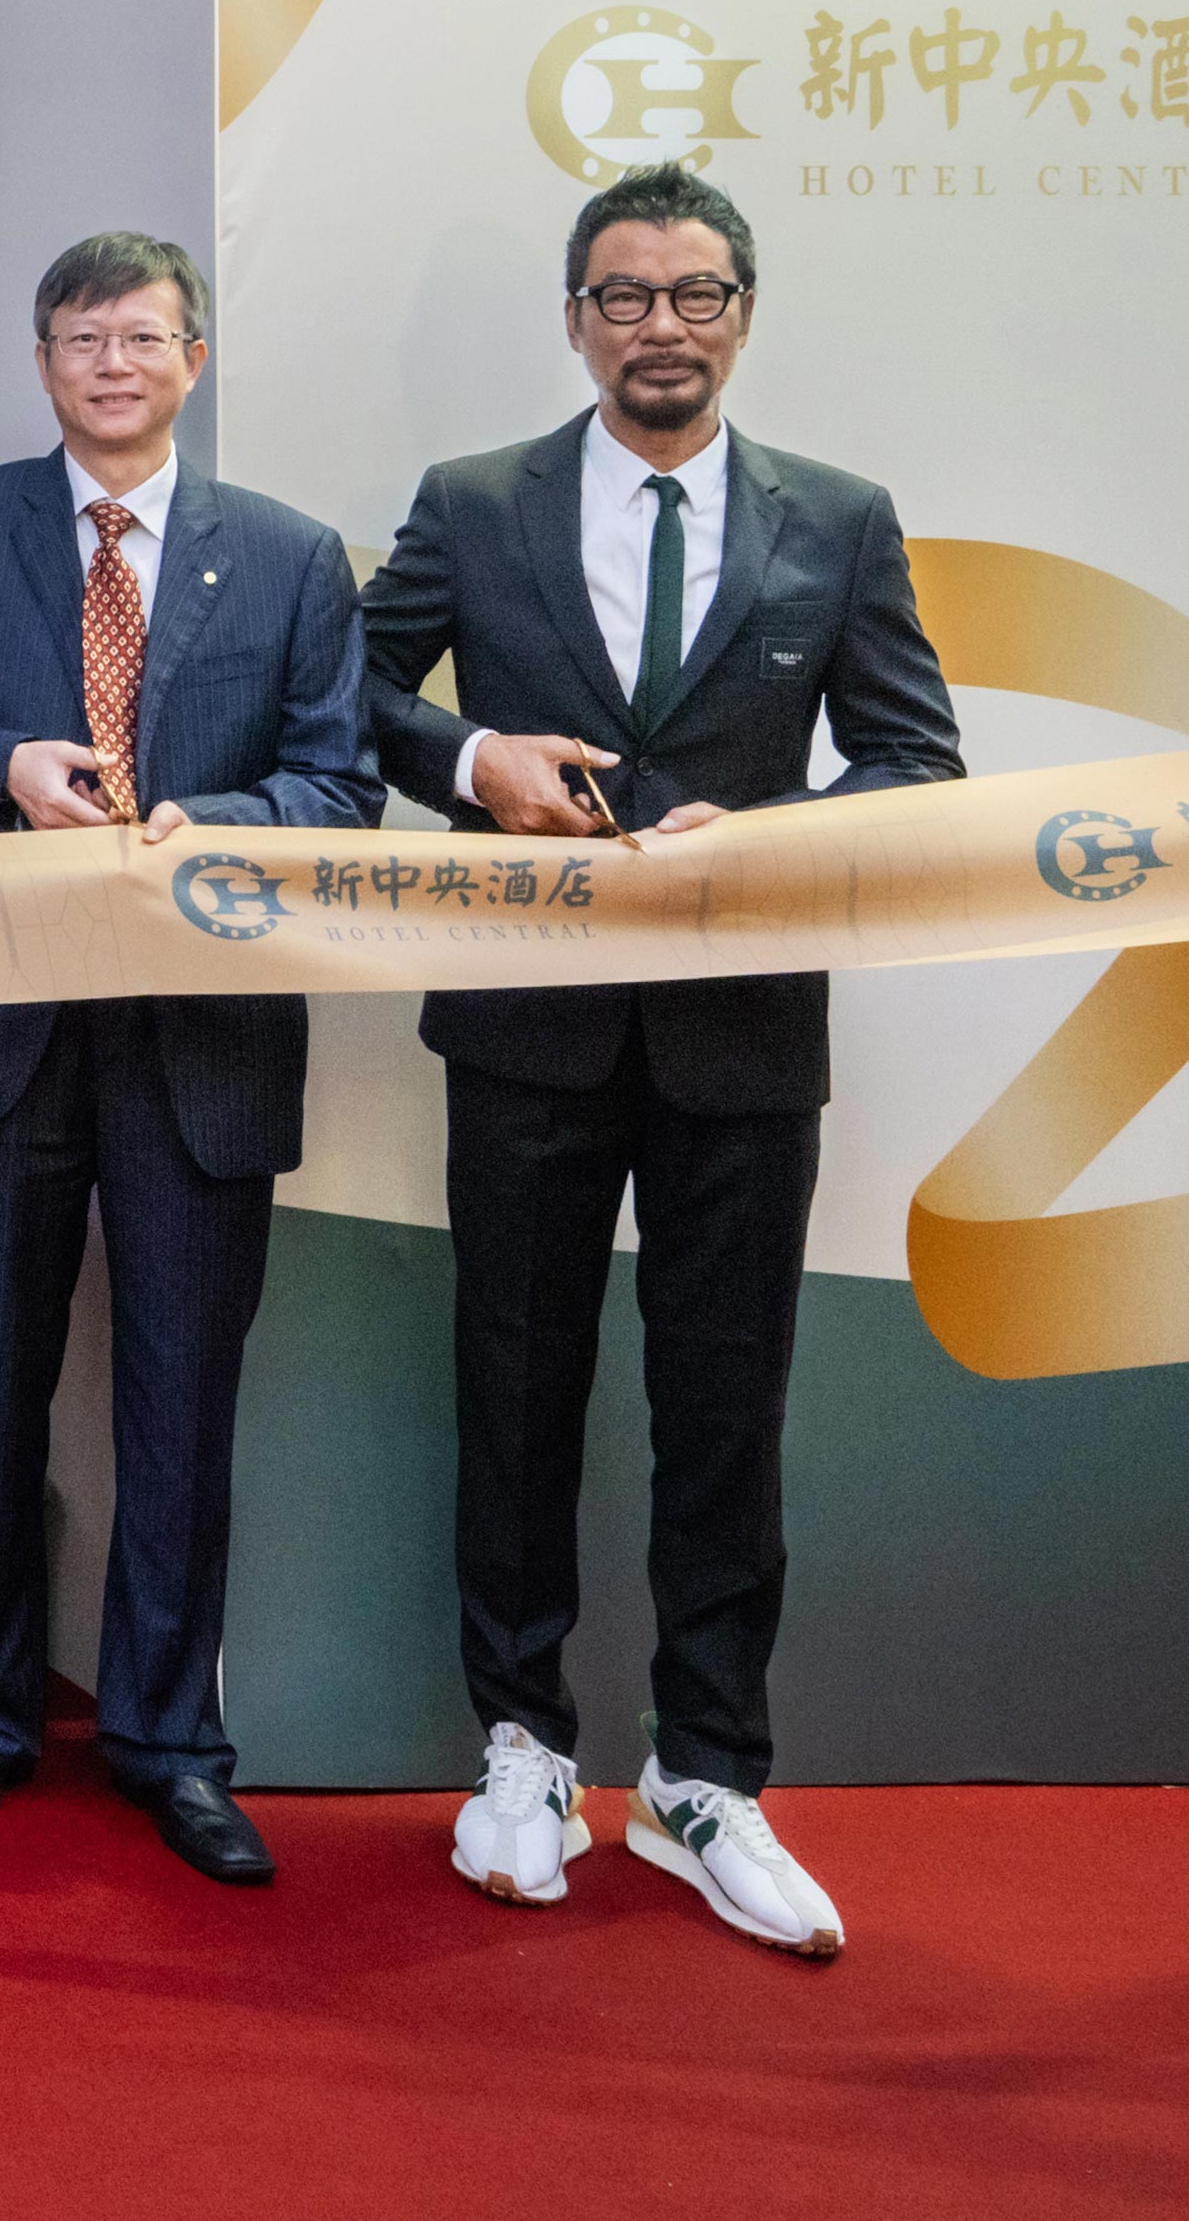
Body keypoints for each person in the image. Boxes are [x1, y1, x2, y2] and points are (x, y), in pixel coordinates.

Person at [364, 165, 958, 1956]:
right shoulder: (472, 505)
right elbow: (350, 695)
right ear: (572, 321)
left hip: (739, 1040)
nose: (658, 327)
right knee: (514, 1393)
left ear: (740, 315)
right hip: (525, 1022)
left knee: (722, 1417)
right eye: (621, 296)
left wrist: (758, 842)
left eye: (693, 294)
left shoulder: (835, 519)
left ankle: (706, 1778)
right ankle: (521, 1746)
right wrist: (476, 761)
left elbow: (912, 765)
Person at [0, 229, 374, 1886]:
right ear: (39, 363)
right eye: (78, 338)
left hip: (197, 1038)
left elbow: (337, 784)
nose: (109, 363)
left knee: (177, 1398)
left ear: (190, 360)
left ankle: (170, 1736)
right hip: (3, 1024)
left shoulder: (290, 557)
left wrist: (206, 820)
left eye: (139, 337)